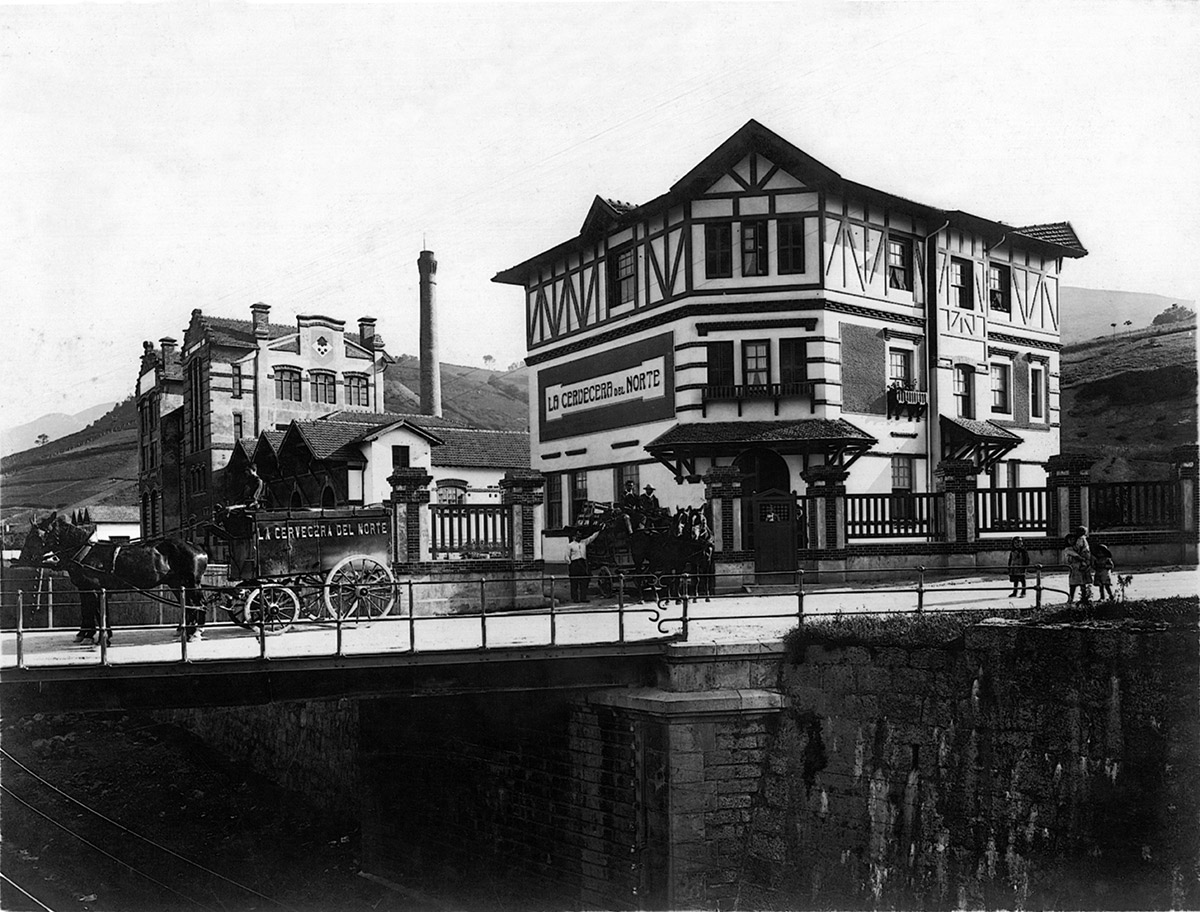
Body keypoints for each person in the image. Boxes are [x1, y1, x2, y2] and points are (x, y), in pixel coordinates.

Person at [567, 527, 602, 603]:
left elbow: (591, 538)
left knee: (584, 581)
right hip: (575, 563)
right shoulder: (570, 545)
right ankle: (575, 598)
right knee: (574, 582)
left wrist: (599, 531)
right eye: (577, 535)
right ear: (574, 536)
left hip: (582, 563)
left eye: (580, 535)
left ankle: (583, 597)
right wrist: (570, 562)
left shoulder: (583, 543)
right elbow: (567, 556)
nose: (579, 537)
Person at [1064, 529, 1093, 606]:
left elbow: (1084, 552)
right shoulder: (1068, 549)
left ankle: (1084, 598)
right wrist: (1080, 558)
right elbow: (1074, 556)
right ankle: (1071, 598)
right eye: (1070, 540)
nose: (1071, 541)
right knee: (1072, 584)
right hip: (1074, 568)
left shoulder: (1078, 545)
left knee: (1082, 583)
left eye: (1073, 539)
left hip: (1080, 567)